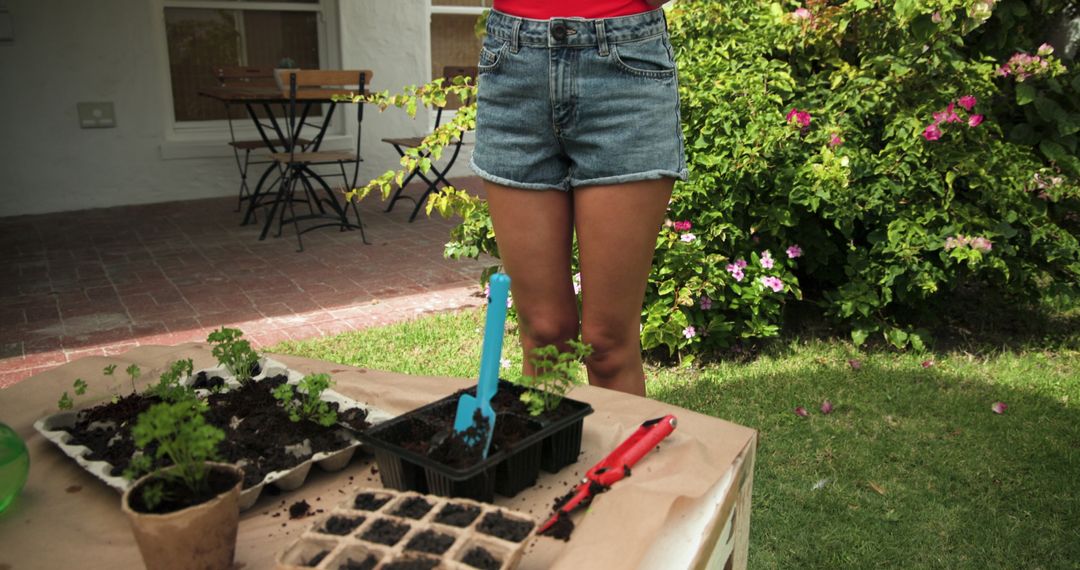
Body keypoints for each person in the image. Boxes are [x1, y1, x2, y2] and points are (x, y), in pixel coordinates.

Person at [470, 0, 685, 397]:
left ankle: (617, 461)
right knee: (545, 337)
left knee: (607, 345)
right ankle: (551, 458)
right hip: (513, 64)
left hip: (625, 63)